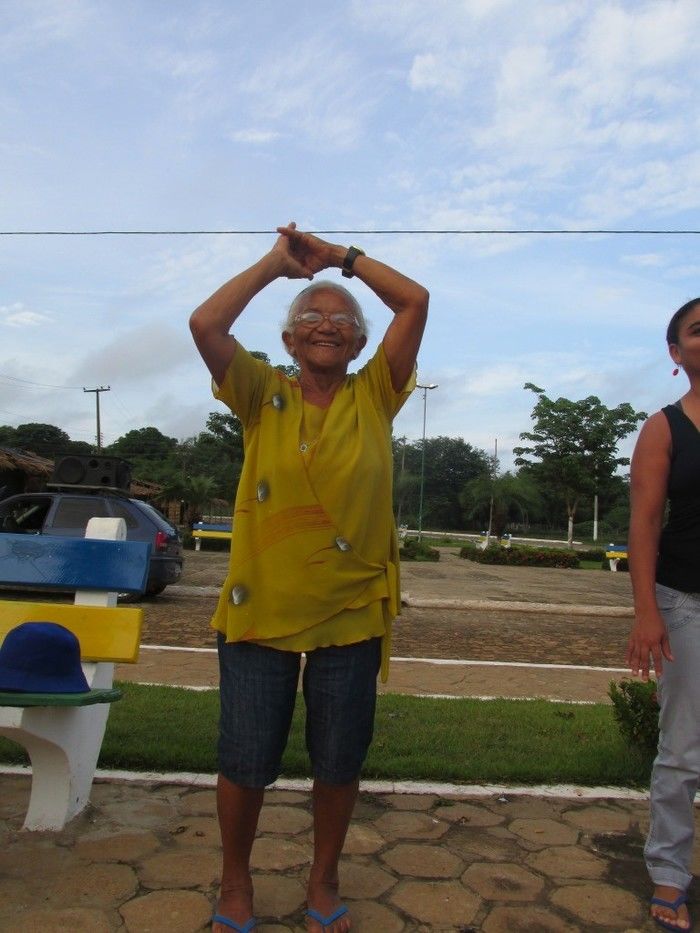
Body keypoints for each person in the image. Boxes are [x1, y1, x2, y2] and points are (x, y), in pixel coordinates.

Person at [189, 223, 429, 933]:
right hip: (261, 610)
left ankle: (323, 880)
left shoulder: (376, 393)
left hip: (351, 613)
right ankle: (237, 883)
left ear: (359, 345)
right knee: (245, 756)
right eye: (310, 320)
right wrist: (276, 265)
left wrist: (341, 260)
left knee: (338, 759)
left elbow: (414, 300)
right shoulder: (261, 391)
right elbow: (205, 323)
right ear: (290, 343)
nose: (327, 325)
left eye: (342, 322)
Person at [626, 298, 700, 932]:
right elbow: (645, 523)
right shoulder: (665, 428)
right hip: (687, 604)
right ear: (677, 354)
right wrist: (646, 611)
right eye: (697, 331)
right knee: (683, 752)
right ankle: (671, 872)